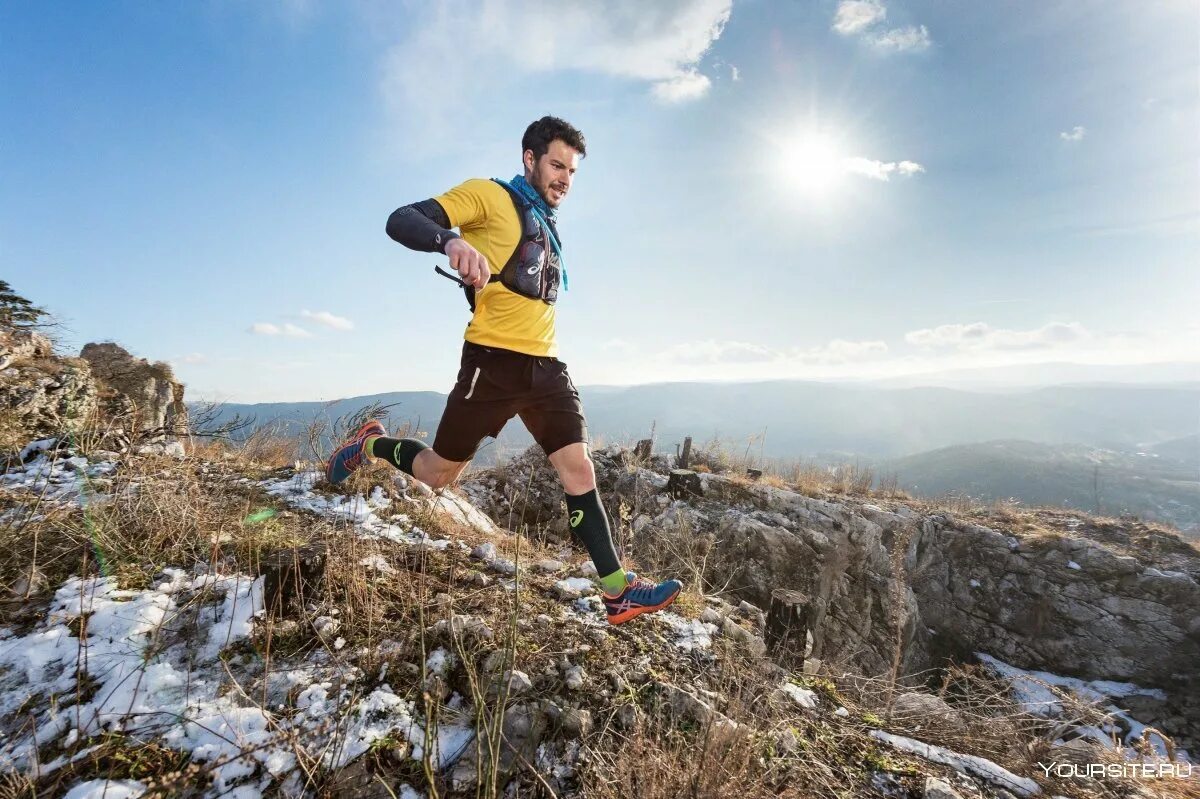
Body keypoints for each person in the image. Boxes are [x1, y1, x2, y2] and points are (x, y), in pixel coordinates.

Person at [326, 116, 682, 625]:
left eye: (573, 171)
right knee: (439, 475)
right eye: (556, 165)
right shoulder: (488, 197)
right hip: (490, 365)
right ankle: (370, 445)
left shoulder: (547, 221)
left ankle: (616, 591)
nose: (564, 178)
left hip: (545, 367)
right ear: (529, 159)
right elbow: (401, 217)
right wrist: (450, 241)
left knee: (579, 469)